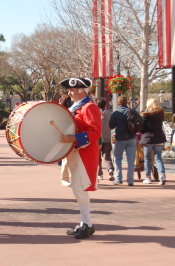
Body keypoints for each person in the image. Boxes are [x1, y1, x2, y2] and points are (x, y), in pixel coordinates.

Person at [59, 77, 101, 239]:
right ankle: (85, 222)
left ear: (82, 91)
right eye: (69, 90)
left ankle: (88, 224)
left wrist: (73, 139)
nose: (69, 92)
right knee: (77, 189)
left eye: (72, 90)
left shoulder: (89, 107)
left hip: (84, 154)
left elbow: (95, 132)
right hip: (76, 153)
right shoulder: (75, 107)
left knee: (80, 188)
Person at [109, 96, 139, 186]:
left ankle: (118, 178)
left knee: (118, 158)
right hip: (132, 137)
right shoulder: (132, 111)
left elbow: (111, 125)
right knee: (131, 160)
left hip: (120, 138)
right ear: (126, 102)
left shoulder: (116, 113)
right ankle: (130, 180)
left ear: (118, 103)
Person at [139, 98, 167, 185]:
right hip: (159, 137)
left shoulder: (146, 115)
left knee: (147, 159)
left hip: (148, 138)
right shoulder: (161, 114)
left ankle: (148, 177)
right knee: (158, 158)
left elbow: (142, 128)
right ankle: (162, 176)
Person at [97, 99, 114, 180]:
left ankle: (100, 174)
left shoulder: (96, 113)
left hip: (97, 138)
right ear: (105, 105)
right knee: (107, 156)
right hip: (107, 137)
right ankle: (110, 169)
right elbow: (112, 125)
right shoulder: (109, 113)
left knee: (97, 158)